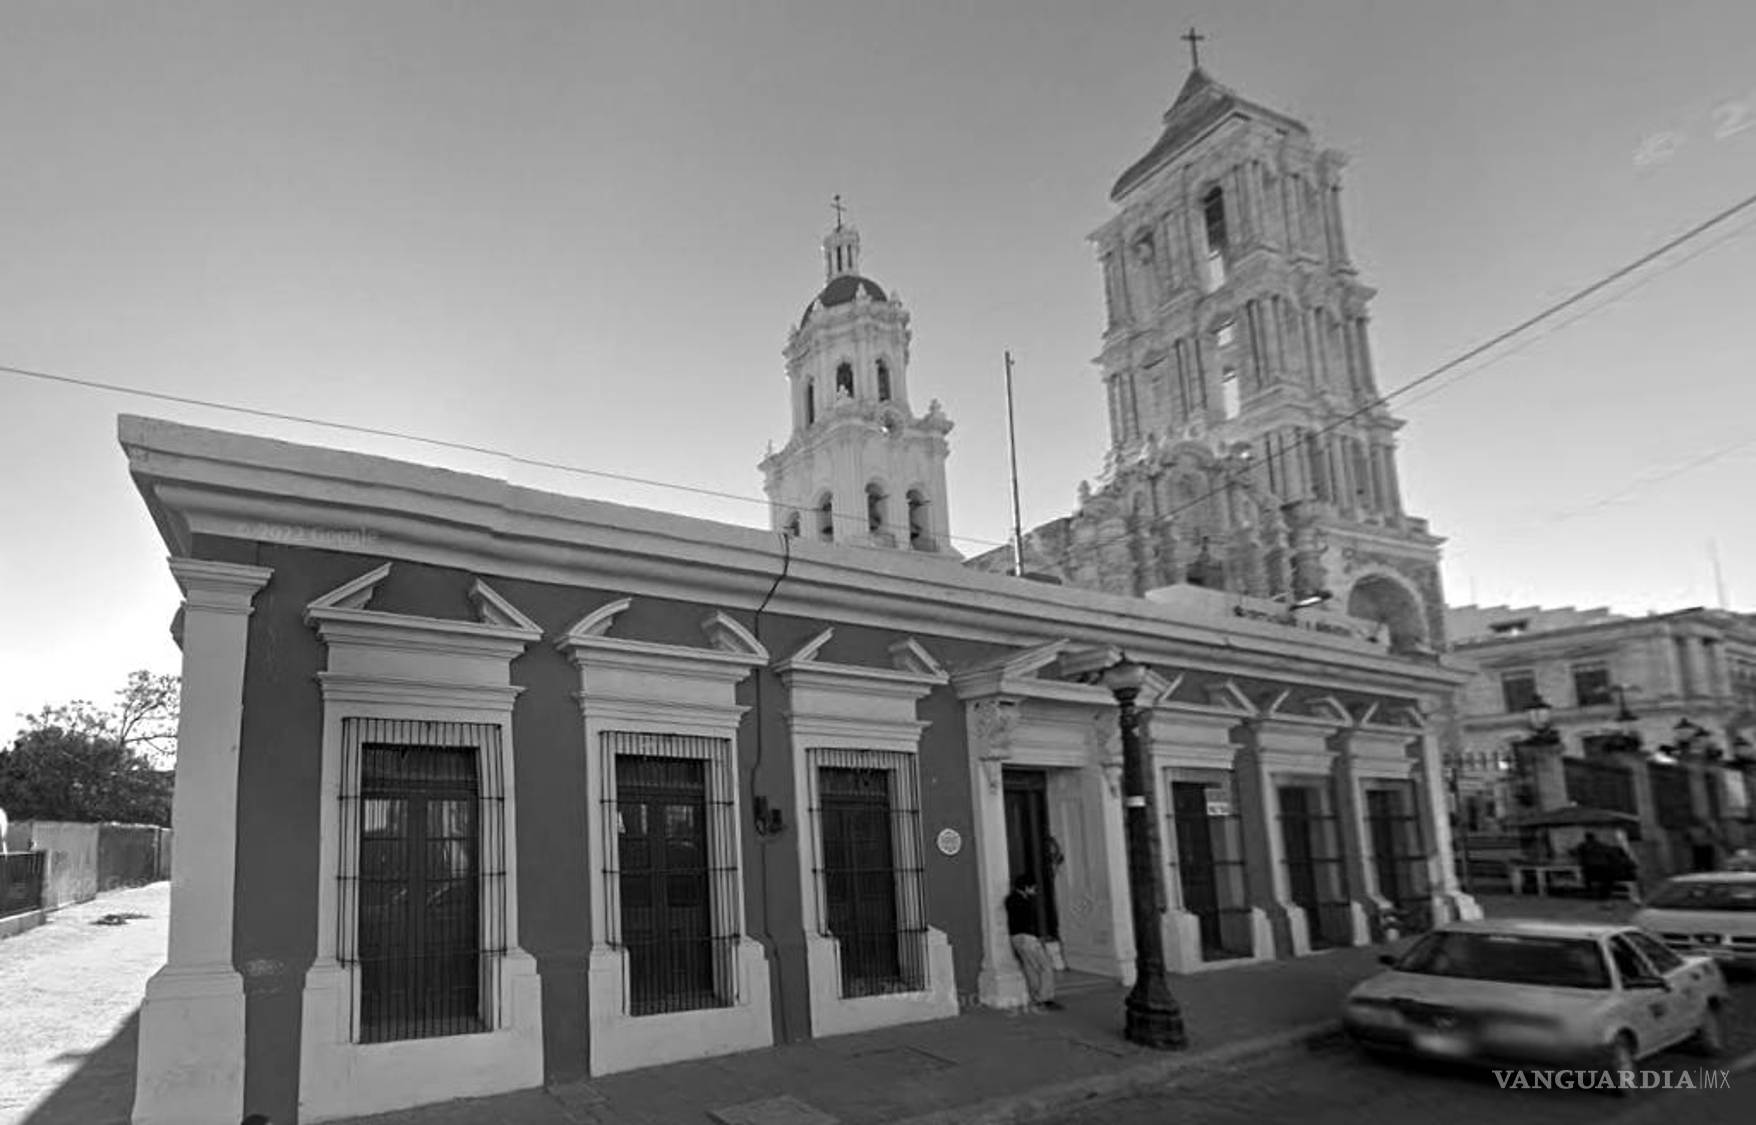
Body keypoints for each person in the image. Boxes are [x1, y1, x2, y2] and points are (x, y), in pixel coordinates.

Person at [1005, 874, 1061, 1011]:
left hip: (1016, 938)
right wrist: (1037, 937)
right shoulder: (1023, 901)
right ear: (1026, 887)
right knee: (1046, 966)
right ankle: (1045, 998)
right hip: (1028, 937)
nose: (1035, 891)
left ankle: (1036, 997)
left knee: (1030, 968)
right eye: (1033, 888)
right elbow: (1028, 921)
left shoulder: (1010, 900)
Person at [1573, 832, 1612, 899]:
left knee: (1588, 879)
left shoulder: (1583, 845)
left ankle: (1590, 892)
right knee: (1604, 879)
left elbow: (1576, 853)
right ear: (1594, 837)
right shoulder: (1600, 844)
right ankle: (1604, 893)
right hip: (1602, 866)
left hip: (1590, 866)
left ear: (1586, 838)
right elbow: (1609, 852)